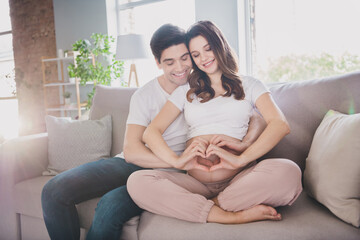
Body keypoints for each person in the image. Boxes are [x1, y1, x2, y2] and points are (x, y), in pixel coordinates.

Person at [41, 23, 264, 240]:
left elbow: (254, 115)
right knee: (53, 191)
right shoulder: (144, 95)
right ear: (158, 63)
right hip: (141, 163)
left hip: (176, 176)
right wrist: (177, 161)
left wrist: (243, 145)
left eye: (185, 58)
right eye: (170, 62)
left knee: (109, 207)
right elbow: (132, 150)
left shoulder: (212, 85)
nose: (180, 68)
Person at [127, 20, 303, 224]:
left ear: (220, 46)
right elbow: (151, 132)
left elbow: (279, 124)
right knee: (138, 182)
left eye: (208, 49)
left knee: (289, 171)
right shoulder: (186, 91)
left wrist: (241, 158)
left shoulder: (250, 85)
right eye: (195, 55)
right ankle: (232, 215)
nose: (204, 58)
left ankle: (210, 205)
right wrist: (177, 161)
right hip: (195, 182)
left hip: (240, 179)